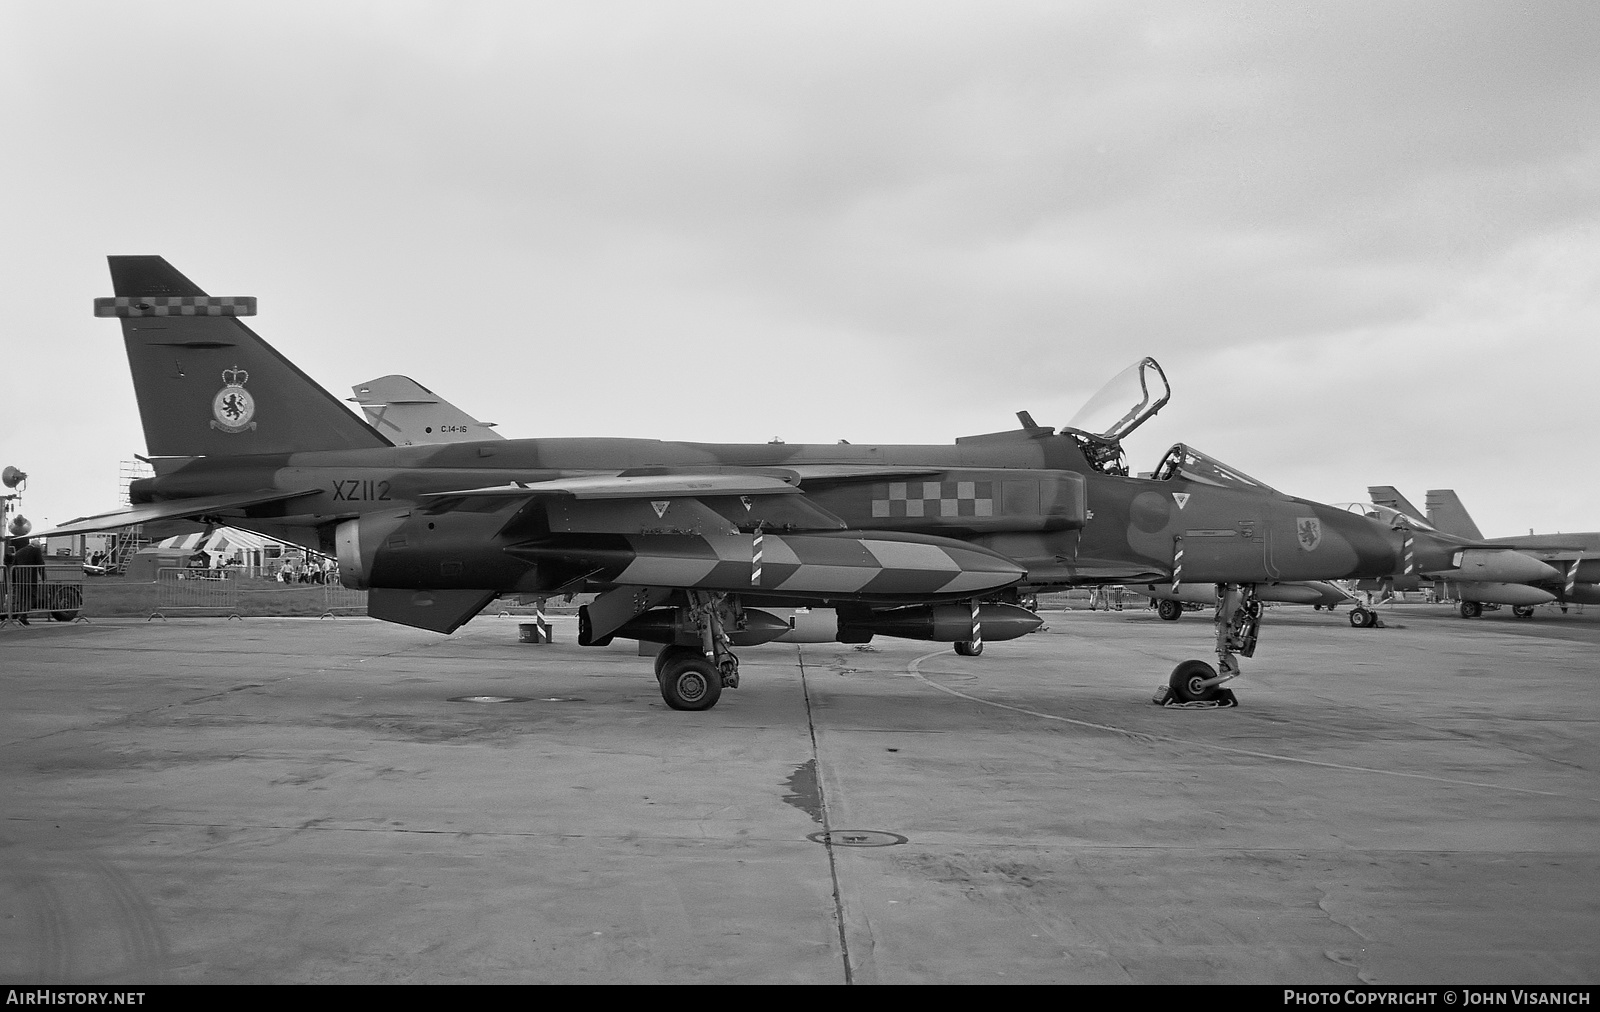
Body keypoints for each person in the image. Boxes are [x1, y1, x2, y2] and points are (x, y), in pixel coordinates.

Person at [10, 537, 44, 624]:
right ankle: (23, 615)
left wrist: (13, 581)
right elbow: (41, 565)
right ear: (37, 546)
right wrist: (44, 578)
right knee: (32, 597)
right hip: (30, 579)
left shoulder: (19, 551)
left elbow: (13, 567)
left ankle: (22, 617)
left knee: (22, 598)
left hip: (20, 579)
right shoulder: (36, 550)